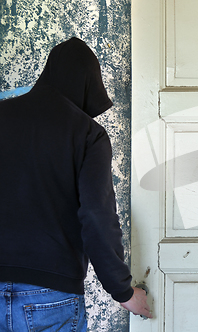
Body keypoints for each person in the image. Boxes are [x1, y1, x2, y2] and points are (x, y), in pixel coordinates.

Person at [0, 37, 152, 331]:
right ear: (87, 86)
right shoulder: (87, 134)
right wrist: (123, 291)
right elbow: (96, 215)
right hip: (50, 296)